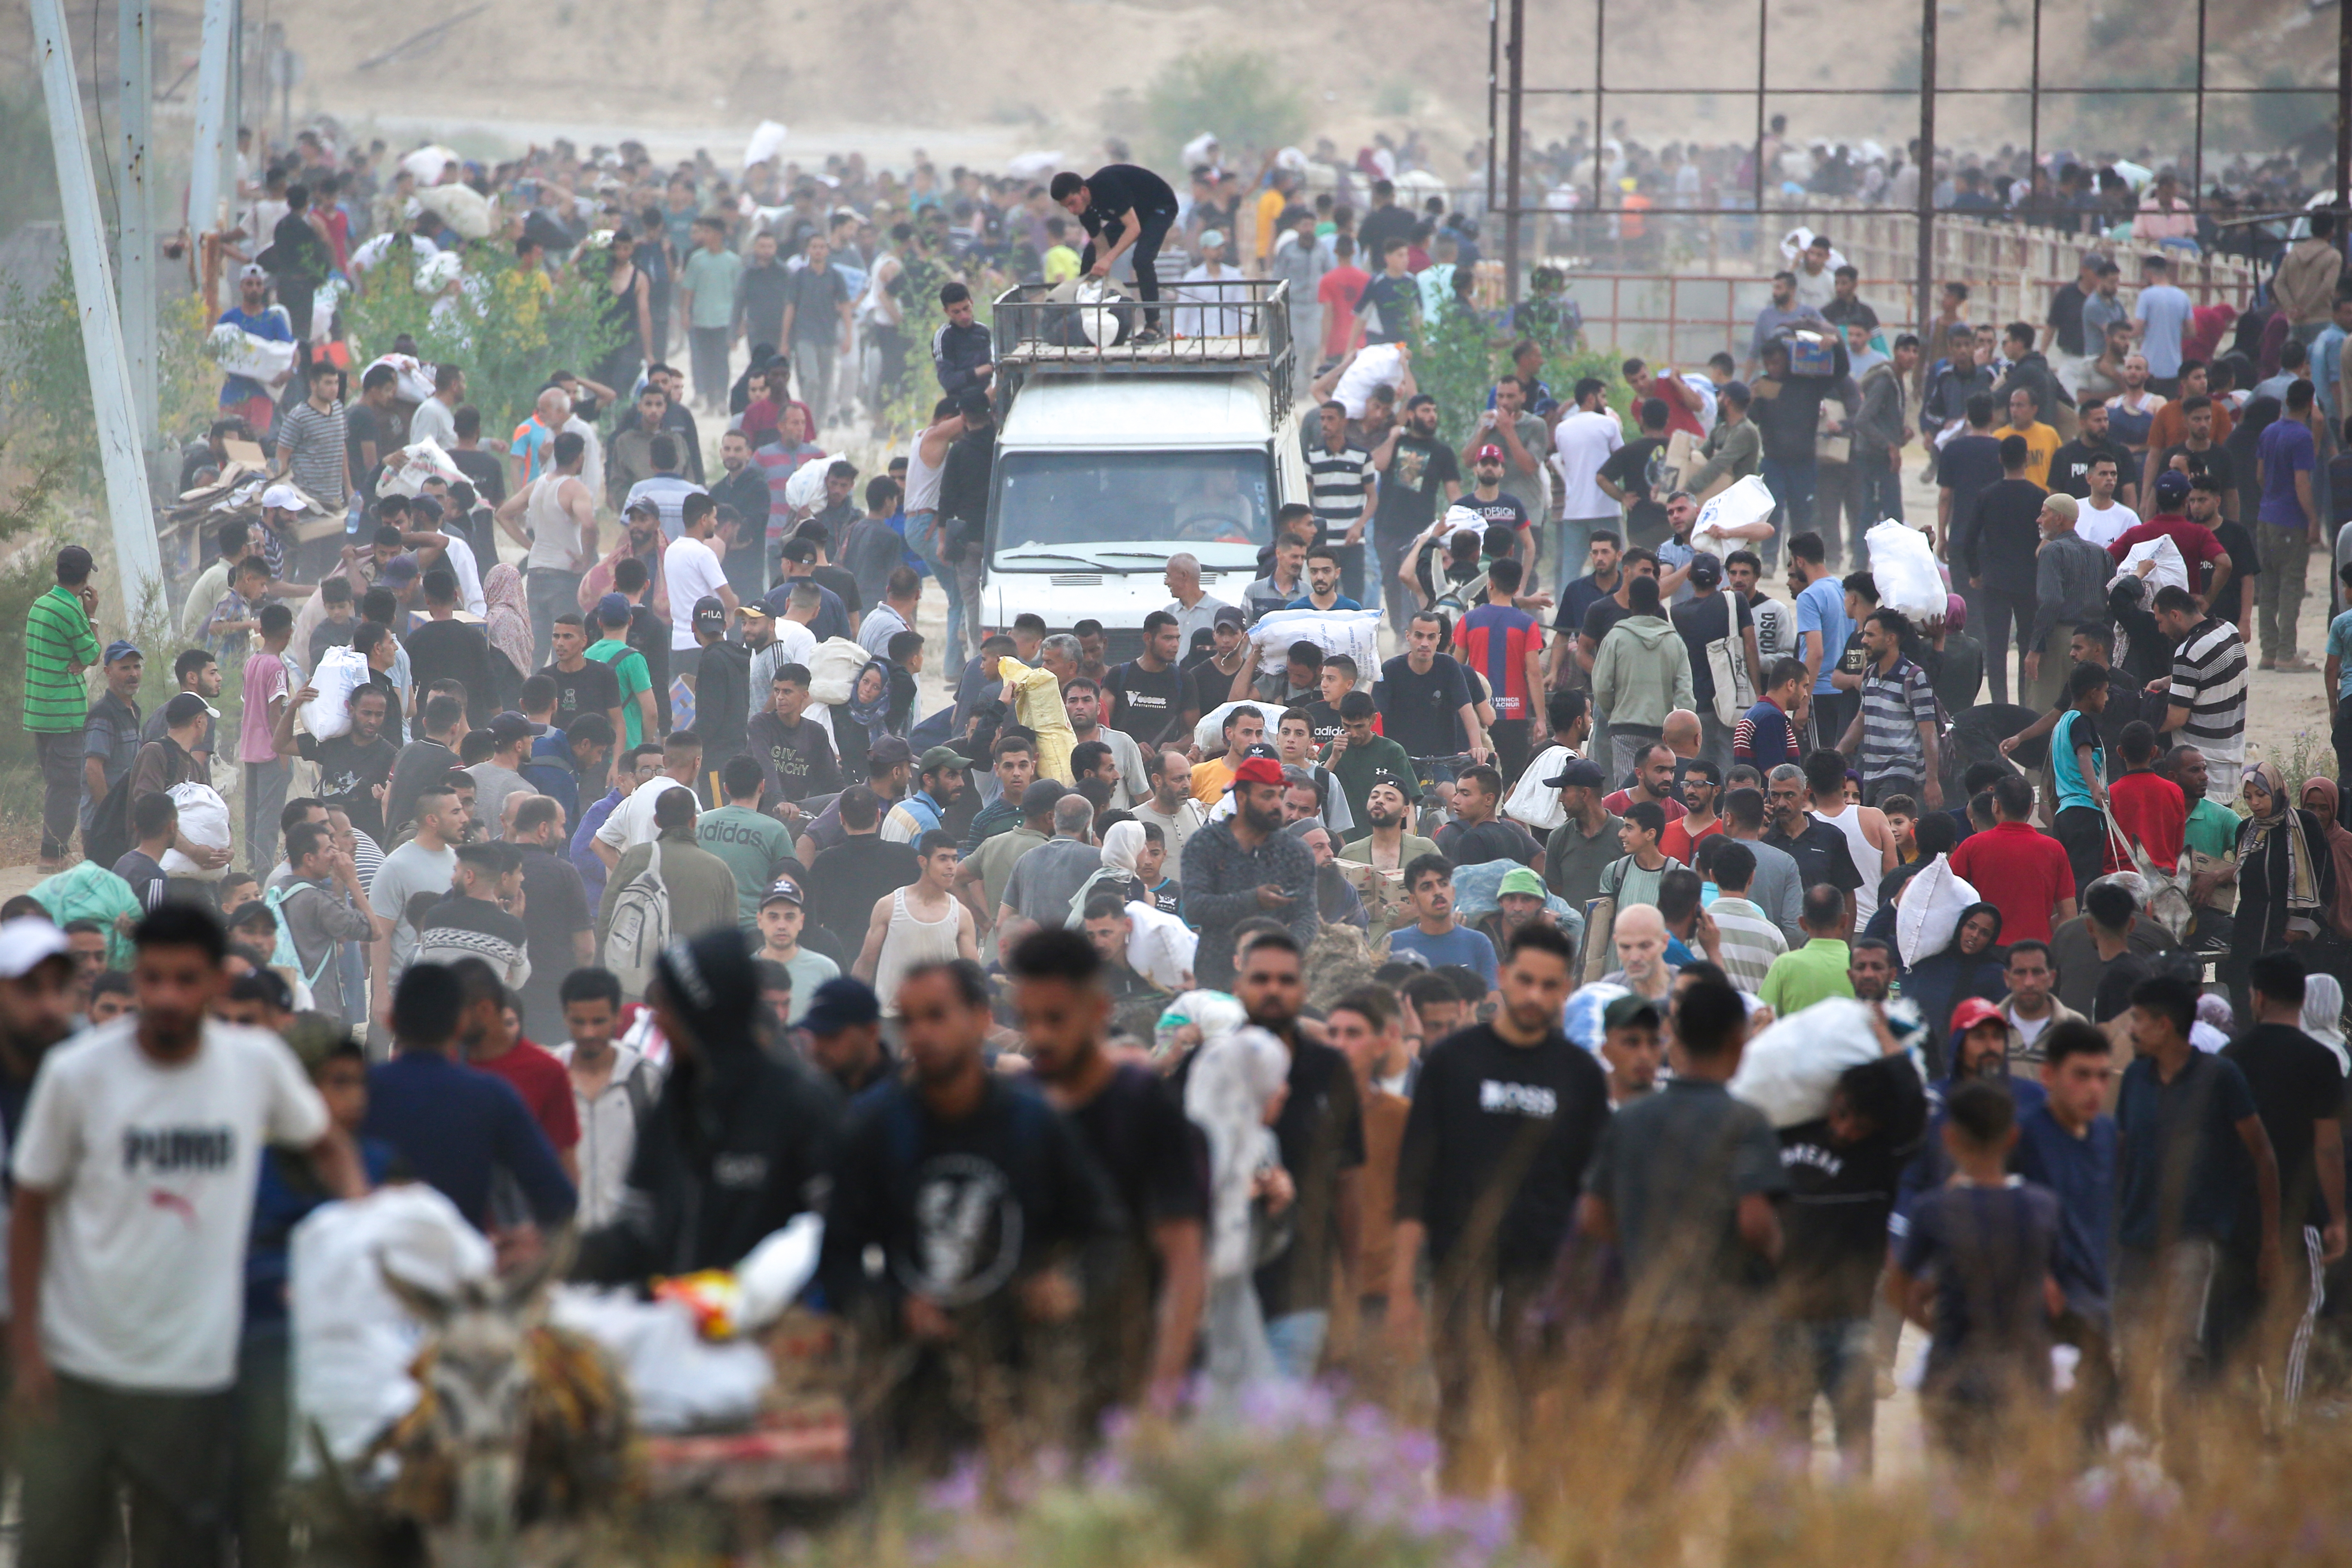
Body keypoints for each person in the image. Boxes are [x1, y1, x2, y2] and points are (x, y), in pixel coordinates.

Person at [7, 904, 361, 1566]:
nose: (167, 996)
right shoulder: (78, 1073)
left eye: (186, 980)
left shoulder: (256, 1067)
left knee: (179, 1552)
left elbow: (329, 1146)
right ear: (135, 978)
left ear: (215, 985)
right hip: (78, 1371)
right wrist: (28, 1346)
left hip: (194, 1376)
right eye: (154, 979)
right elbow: (31, 1209)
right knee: (58, 1549)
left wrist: (361, 1228)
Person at [819, 956, 1120, 1468]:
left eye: (937, 1015)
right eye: (910, 1020)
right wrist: (894, 1307)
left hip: (1025, 1377)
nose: (921, 1034)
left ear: (981, 1020)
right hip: (911, 1384)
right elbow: (837, 1258)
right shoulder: (877, 1126)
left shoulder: (1032, 1122)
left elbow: (1105, 1233)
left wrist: (1071, 1286)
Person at [1388, 924, 1604, 1485]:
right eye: (1525, 980)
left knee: (1534, 1417)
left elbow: (1595, 1192)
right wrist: (1400, 1288)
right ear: (1503, 979)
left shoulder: (1580, 1076)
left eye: (1550, 985)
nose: (1535, 995)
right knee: (1458, 1412)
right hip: (1460, 1265)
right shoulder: (1452, 1062)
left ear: (1566, 990)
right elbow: (1412, 1180)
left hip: (1545, 1274)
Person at [1579, 973, 1786, 1472]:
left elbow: (1592, 1216)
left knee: (1651, 1454)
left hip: (1644, 1314)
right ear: (1739, 1042)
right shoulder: (1746, 1122)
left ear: (1675, 1038)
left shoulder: (1630, 1120)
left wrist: (1640, 1244)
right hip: (1720, 1320)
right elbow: (1756, 1222)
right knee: (1722, 1459)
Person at [1008, 929, 1207, 1416]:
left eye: (1055, 1018)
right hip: (1039, 1376)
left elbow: (1185, 1260)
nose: (1040, 1036)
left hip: (1137, 1364)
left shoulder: (1141, 1103)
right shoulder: (1018, 1108)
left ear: (1098, 1010)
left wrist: (1161, 1394)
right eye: (1028, 1020)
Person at [2113, 971, 2281, 1444]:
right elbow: (2122, 1154)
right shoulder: (2133, 1078)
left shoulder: (2220, 1077)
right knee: (2131, 1345)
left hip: (2194, 1237)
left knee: (2183, 1346)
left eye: (2139, 1021)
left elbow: (2262, 1156)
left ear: (2164, 1026)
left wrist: (2268, 1241)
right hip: (2135, 1236)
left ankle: (2182, 1446)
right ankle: (2136, 1442)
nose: (2131, 1030)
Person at [1888, 1079, 2065, 1464]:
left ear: (1950, 1139)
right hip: (2025, 1376)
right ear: (2013, 1137)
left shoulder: (1933, 1210)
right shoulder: (2042, 1209)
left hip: (1954, 1373)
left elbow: (1896, 1288)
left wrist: (1934, 1327)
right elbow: (2053, 1293)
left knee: (1959, 1492)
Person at [1776, 1047, 1927, 1475]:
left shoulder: (1881, 1159)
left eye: (1858, 1125)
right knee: (1785, 1452)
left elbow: (1914, 1103)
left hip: (1852, 1326)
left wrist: (1884, 1032)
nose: (1843, 1129)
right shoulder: (1789, 1134)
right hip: (1787, 1324)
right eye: (1840, 1114)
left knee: (1856, 1450)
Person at [2223, 949, 2349, 1418]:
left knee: (2238, 1319)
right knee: (2298, 1315)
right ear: (2303, 999)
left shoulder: (2231, 1055)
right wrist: (2337, 1216)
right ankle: (2285, 1416)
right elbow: (2329, 1148)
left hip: (2238, 1213)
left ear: (2256, 998)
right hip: (2301, 1214)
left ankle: (2238, 1417)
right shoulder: (2321, 1060)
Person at [2228, 762, 2336, 1012]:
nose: (2255, 803)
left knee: (2288, 1001)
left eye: (2261, 795)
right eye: (2248, 797)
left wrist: (2301, 926)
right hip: (2250, 931)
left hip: (2291, 934)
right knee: (2247, 998)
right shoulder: (2246, 830)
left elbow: (2324, 877)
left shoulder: (2305, 824)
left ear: (2276, 791)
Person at [28, 546, 103, 871]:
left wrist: (78, 656)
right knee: (68, 786)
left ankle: (54, 848)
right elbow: (95, 653)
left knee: (56, 783)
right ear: (86, 578)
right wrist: (91, 615)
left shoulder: (40, 605)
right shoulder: (70, 610)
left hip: (40, 711)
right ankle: (53, 854)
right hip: (65, 713)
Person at [1052, 163, 1183, 339]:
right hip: (1132, 214)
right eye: (1066, 207)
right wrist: (1099, 279)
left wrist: (1109, 260)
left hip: (1159, 207)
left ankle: (1155, 324)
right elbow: (1101, 249)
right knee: (1090, 253)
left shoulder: (1107, 186)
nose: (1072, 211)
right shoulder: (1085, 212)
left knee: (1142, 260)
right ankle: (1082, 316)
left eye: (1072, 203)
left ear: (1083, 191)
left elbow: (1133, 229)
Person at [1950, 774, 2078, 946]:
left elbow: (1948, 899)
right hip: (2036, 952)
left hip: (1987, 951)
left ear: (1995, 806)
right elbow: (2069, 916)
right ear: (2030, 808)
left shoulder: (1972, 845)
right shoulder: (2054, 849)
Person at [1384, 852, 1500, 991]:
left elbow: (1494, 1003)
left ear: (1453, 892)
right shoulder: (1394, 943)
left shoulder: (1478, 943)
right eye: (1427, 887)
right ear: (1413, 900)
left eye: (1443, 884)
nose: (1438, 892)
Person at [1758, 882, 1858, 1016]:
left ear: (1802, 924)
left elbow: (1763, 1017)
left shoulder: (1785, 965)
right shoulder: (1864, 968)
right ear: (1845, 921)